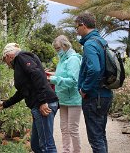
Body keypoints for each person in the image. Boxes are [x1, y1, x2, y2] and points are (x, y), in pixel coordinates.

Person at [0, 43, 59, 153]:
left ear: (8, 56)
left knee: (47, 146)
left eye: (4, 60)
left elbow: (37, 75)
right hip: (39, 104)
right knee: (36, 145)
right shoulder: (21, 62)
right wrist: (5, 104)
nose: (6, 64)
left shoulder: (21, 57)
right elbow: (22, 92)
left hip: (43, 104)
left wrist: (42, 101)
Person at [75, 13, 113, 153]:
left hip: (94, 97)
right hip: (105, 94)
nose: (76, 31)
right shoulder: (101, 41)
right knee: (100, 135)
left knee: (95, 138)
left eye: (77, 27)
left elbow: (95, 69)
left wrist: (84, 89)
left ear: (83, 25)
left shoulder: (90, 44)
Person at [48, 35, 82, 153]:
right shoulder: (62, 60)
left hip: (73, 99)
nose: (57, 51)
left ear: (65, 46)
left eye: (58, 48)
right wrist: (51, 74)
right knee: (64, 129)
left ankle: (76, 151)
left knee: (73, 129)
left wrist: (53, 79)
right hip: (62, 99)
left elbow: (73, 81)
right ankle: (66, 151)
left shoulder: (73, 59)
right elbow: (62, 75)